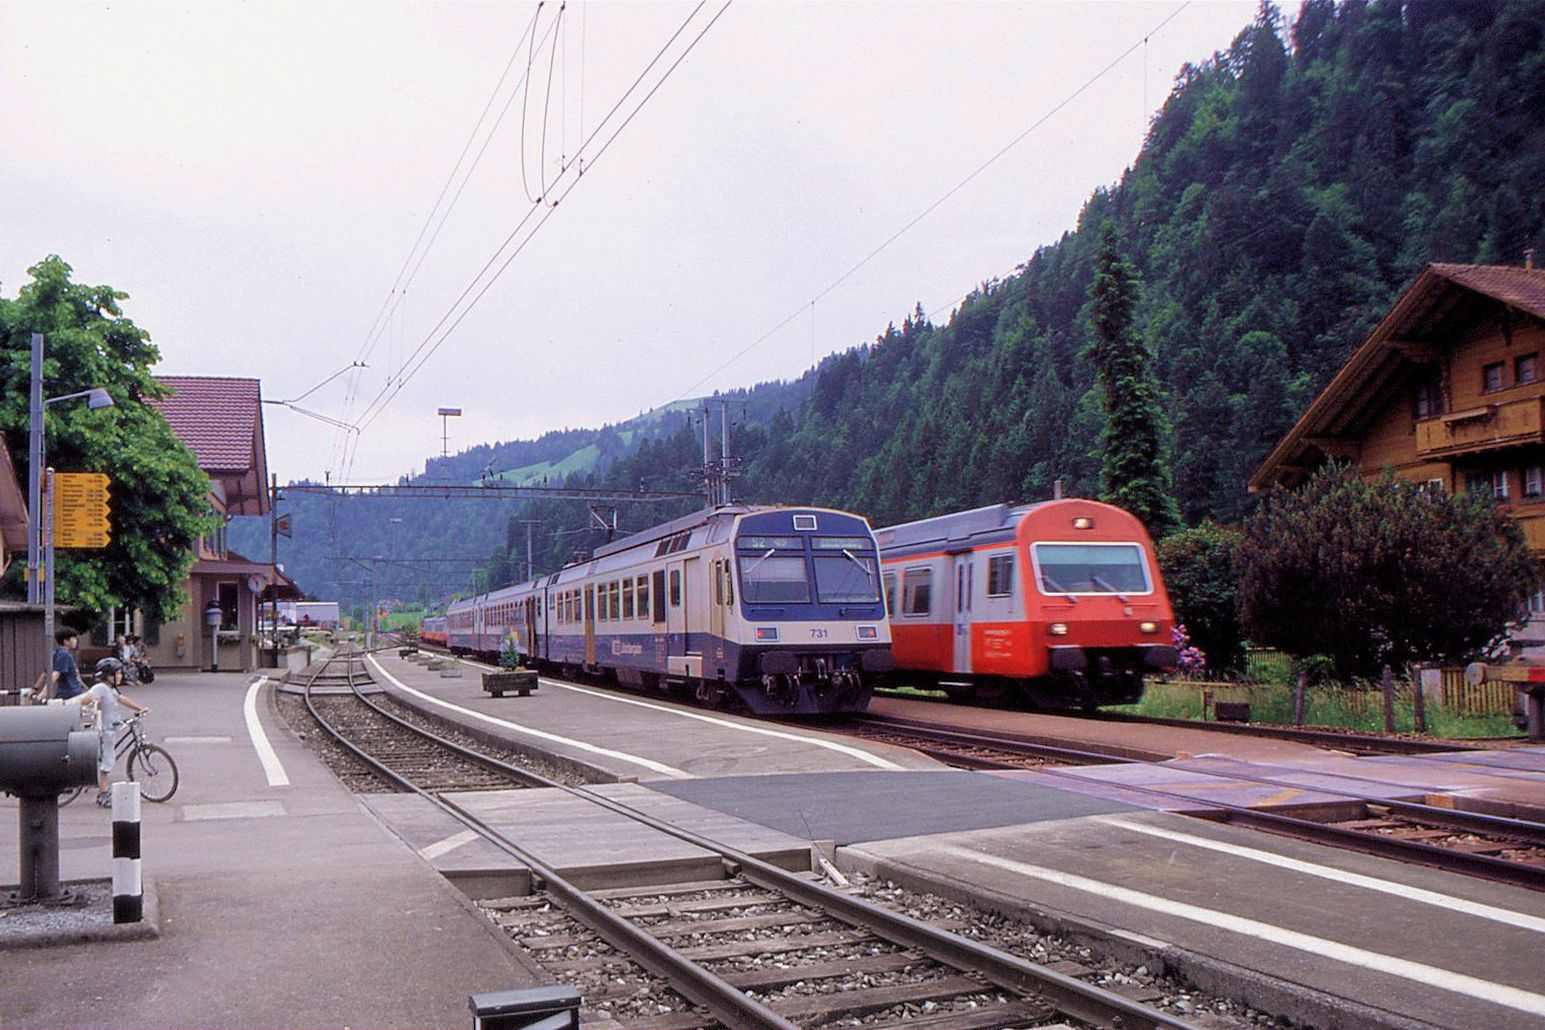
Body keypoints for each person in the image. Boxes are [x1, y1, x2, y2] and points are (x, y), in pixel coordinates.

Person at [72, 657, 150, 808]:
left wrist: (139, 708)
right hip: (103, 732)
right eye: (118, 673)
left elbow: (122, 698)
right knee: (105, 763)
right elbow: (83, 699)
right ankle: (103, 794)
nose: (121, 676)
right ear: (108, 676)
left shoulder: (111, 689)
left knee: (107, 760)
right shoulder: (100, 688)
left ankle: (103, 790)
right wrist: (91, 699)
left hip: (110, 730)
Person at [34, 628, 87, 702]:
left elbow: (45, 673)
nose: (76, 641)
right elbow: (55, 674)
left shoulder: (55, 653)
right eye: (74, 638)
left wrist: (35, 688)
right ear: (66, 641)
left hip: (64, 693)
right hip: (72, 694)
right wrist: (44, 692)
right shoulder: (65, 655)